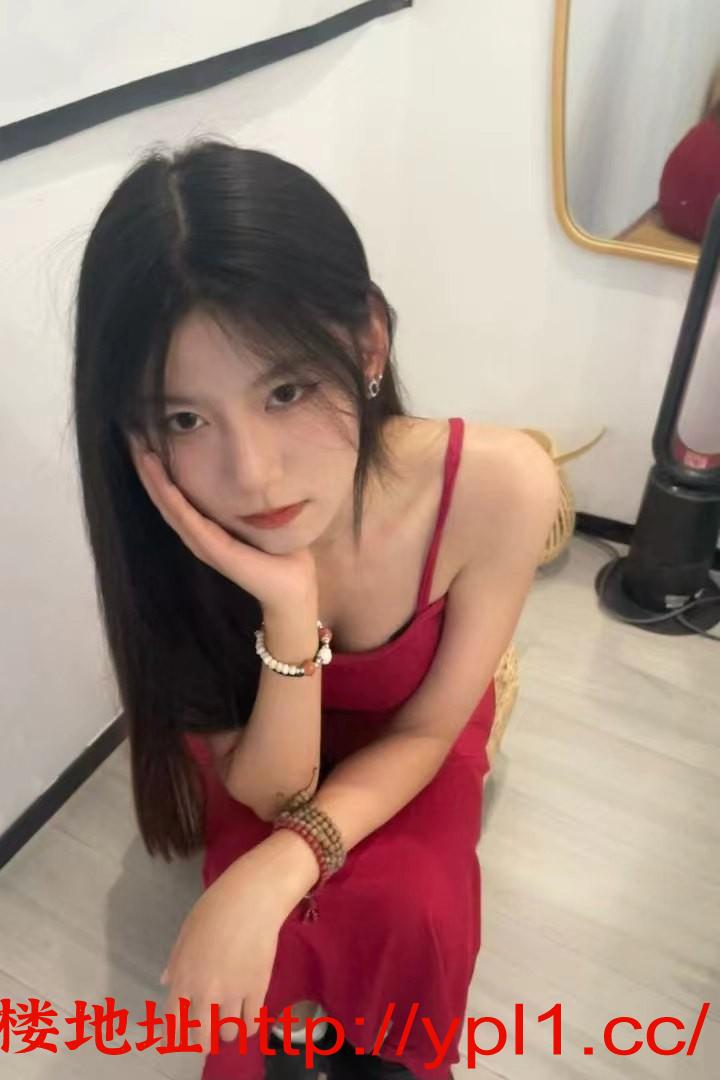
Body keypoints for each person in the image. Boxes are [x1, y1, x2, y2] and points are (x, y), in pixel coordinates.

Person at [71, 136, 561, 1080]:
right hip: (265, 750)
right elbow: (267, 788)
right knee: (262, 960)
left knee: (413, 906)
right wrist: (289, 609)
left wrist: (286, 860)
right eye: (185, 418)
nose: (252, 474)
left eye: (285, 389)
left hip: (412, 744)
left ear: (367, 342)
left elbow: (429, 731)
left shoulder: (498, 486)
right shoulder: (163, 533)